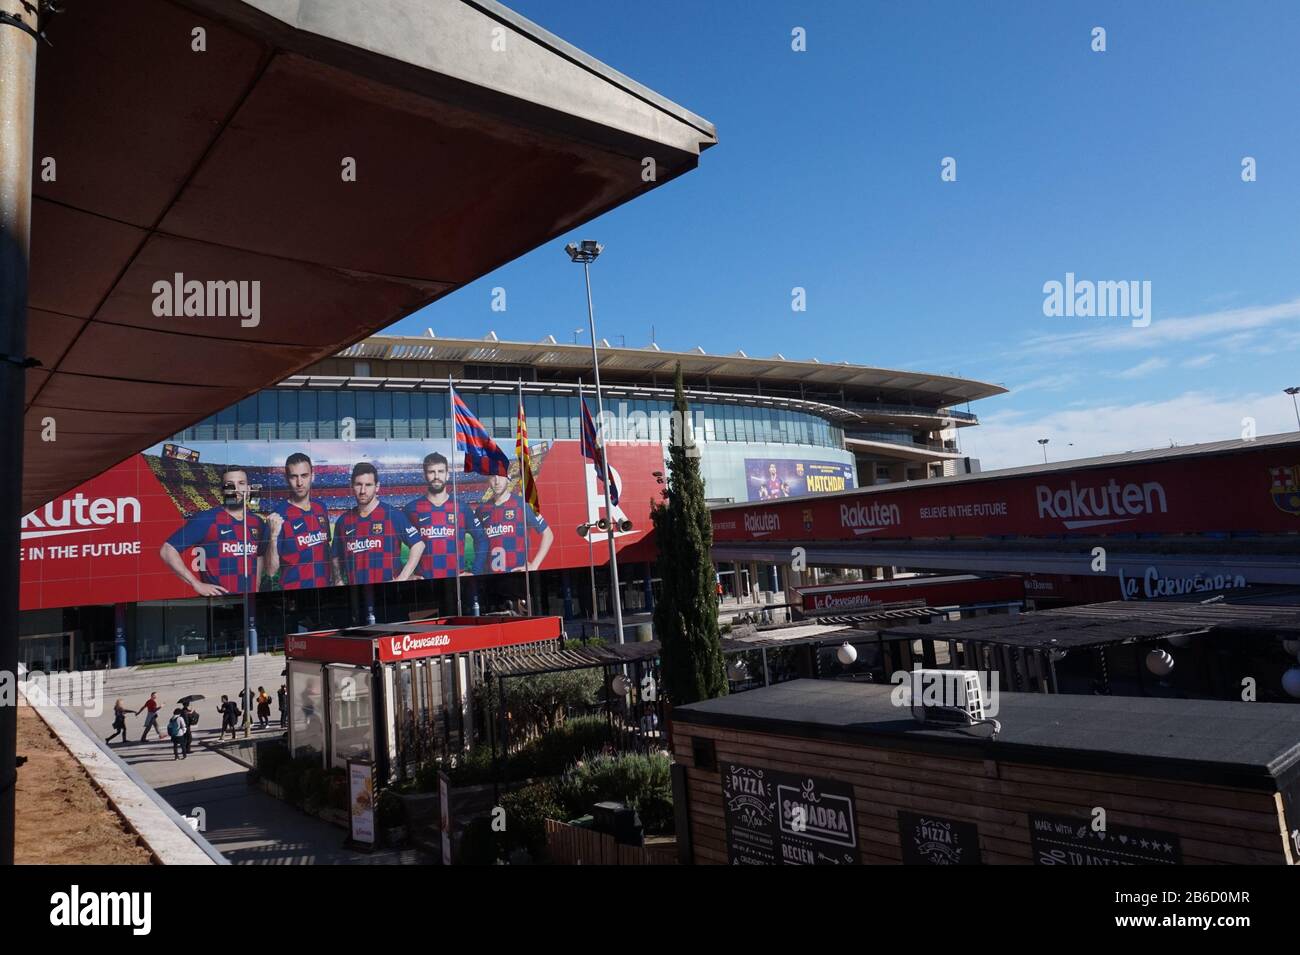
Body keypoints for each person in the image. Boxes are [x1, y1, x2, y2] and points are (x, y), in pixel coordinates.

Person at [159, 466, 268, 598]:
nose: (236, 489)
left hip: (249, 600)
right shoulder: (207, 519)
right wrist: (196, 583)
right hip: (220, 604)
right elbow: (167, 550)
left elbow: (259, 555)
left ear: (248, 488)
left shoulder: (257, 522)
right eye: (230, 485)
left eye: (241, 483)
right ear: (221, 490)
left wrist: (256, 585)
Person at [331, 462, 424, 585]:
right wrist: (338, 580)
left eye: (368, 485)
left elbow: (418, 545)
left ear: (377, 486)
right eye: (358, 484)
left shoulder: (393, 515)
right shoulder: (343, 521)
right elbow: (335, 556)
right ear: (352, 485)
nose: (363, 490)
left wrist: (402, 578)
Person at [404, 452, 490, 580]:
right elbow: (390, 543)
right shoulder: (411, 509)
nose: (436, 476)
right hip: (425, 581)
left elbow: (482, 539)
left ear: (447, 475)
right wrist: (406, 575)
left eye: (441, 471)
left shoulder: (461, 508)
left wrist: (475, 571)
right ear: (425, 475)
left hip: (457, 582)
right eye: (431, 472)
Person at [264, 453, 331, 589]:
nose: (299, 483)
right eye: (294, 477)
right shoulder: (278, 515)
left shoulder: (321, 507)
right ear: (286, 479)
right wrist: (273, 536)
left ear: (312, 476)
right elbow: (271, 571)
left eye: (304, 476)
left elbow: (326, 547)